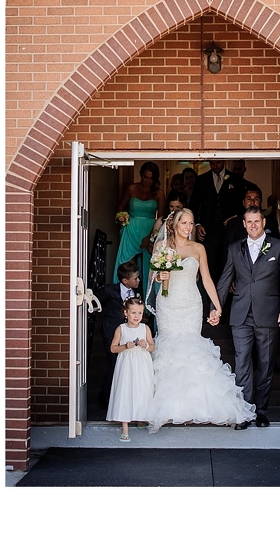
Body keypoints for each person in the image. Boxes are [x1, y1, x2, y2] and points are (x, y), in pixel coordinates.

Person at [146, 208, 256, 433]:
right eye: (183, 223)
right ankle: (171, 408)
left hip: (191, 304)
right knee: (170, 351)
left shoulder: (198, 248)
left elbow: (206, 279)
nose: (187, 227)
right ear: (174, 224)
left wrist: (217, 305)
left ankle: (195, 407)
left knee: (191, 350)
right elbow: (152, 275)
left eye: (191, 223)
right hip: (168, 303)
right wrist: (159, 276)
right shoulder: (162, 247)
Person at [213, 206, 280, 429]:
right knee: (242, 363)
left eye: (256, 221)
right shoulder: (234, 248)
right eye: (248, 222)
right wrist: (216, 308)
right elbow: (224, 281)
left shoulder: (279, 247)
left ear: (264, 222)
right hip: (240, 314)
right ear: (243, 223)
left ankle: (261, 411)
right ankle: (244, 411)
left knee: (266, 363)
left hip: (268, 313)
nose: (252, 225)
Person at [113, 161, 165, 297]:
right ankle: (124, 300)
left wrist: (151, 237)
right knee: (127, 267)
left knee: (148, 268)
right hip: (131, 231)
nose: (147, 181)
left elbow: (162, 218)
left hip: (150, 232)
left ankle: (147, 306)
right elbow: (120, 206)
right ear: (140, 175)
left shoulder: (159, 193)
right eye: (145, 177)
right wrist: (122, 218)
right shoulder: (131, 188)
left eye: (151, 178)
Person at [106, 296, 155, 443]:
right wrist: (125, 346)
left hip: (142, 363)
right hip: (127, 363)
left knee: (142, 389)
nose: (137, 316)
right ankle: (125, 427)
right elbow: (113, 348)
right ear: (126, 313)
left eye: (140, 313)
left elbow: (152, 346)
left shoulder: (145, 328)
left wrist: (145, 345)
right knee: (125, 390)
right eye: (133, 313)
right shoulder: (121, 329)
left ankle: (141, 417)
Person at [189, 159, 244, 284]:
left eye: (218, 163)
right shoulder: (202, 180)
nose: (215, 166)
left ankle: (227, 301)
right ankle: (212, 300)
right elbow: (193, 205)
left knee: (228, 264)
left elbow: (242, 206)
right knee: (210, 266)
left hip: (229, 231)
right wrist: (197, 224)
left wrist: (235, 217)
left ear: (224, 161)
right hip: (208, 232)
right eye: (212, 163)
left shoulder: (235, 179)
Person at [96, 261, 141, 407]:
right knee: (114, 363)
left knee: (127, 364)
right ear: (125, 281)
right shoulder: (110, 290)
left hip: (130, 333)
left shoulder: (137, 291)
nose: (138, 280)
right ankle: (106, 396)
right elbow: (95, 301)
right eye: (135, 278)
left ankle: (125, 396)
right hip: (111, 331)